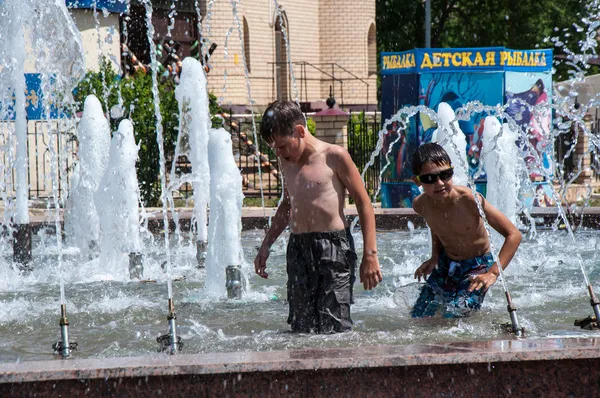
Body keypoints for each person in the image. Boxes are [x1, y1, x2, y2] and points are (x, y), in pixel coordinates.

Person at [254, 100, 383, 334]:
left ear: (300, 131)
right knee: (301, 327)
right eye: (274, 147)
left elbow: (364, 203)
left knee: (334, 327)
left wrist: (370, 255)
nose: (278, 153)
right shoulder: (287, 162)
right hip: (298, 248)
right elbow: (287, 205)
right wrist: (266, 245)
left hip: (333, 247)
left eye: (282, 146)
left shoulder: (334, 156)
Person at [410, 143, 522, 318]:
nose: (440, 183)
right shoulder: (421, 205)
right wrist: (435, 257)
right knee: (419, 315)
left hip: (477, 266)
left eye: (445, 175)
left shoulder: (470, 200)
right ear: (417, 181)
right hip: (446, 264)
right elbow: (437, 227)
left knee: (453, 316)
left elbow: (514, 235)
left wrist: (492, 273)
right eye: (430, 179)